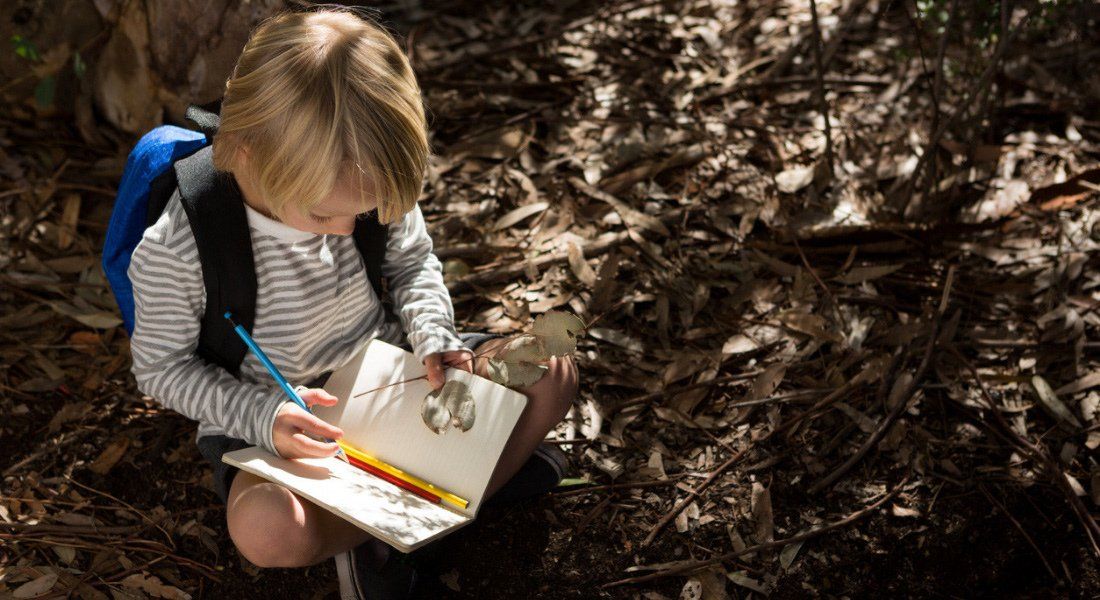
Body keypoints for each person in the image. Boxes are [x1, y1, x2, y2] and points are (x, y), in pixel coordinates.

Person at [126, 6, 578, 598]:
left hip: (392, 379)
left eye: (361, 215)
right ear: (249, 152)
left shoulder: (360, 170)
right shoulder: (180, 244)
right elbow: (161, 369)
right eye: (322, 215)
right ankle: (459, 493)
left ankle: (395, 531)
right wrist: (264, 418)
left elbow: (412, 263)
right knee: (266, 533)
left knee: (551, 370)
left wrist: (434, 337)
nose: (344, 232)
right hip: (281, 421)